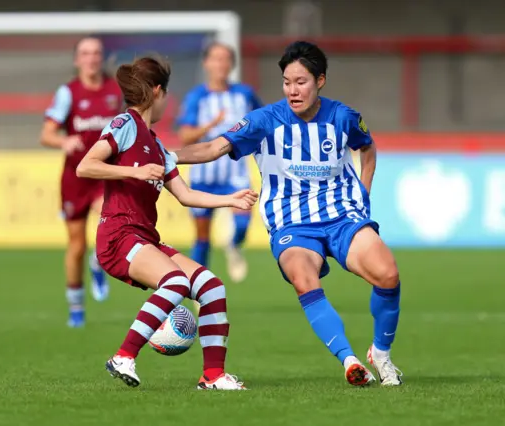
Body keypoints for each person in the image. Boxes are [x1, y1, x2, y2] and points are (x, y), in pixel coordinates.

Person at [170, 41, 403, 386]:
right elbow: (212, 147)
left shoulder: (343, 117)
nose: (293, 90)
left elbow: (367, 147)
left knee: (388, 276)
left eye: (301, 82)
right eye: (287, 82)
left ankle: (380, 354)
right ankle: (348, 359)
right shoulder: (265, 121)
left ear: (320, 80)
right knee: (303, 277)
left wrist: (362, 196)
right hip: (291, 222)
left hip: (342, 216)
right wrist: (166, 156)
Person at [76, 55, 257, 390]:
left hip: (144, 237)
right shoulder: (124, 126)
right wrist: (134, 171)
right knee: (175, 283)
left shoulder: (156, 144)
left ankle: (213, 376)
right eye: (165, 93)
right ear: (157, 92)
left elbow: (186, 195)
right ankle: (124, 356)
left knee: (211, 287)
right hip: (118, 236)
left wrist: (230, 200)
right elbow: (85, 166)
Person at [40, 36, 122, 327]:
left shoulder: (116, 90)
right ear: (77, 60)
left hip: (105, 174)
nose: (92, 58)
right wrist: (65, 140)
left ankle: (98, 263)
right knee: (76, 245)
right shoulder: (68, 93)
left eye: (97, 52)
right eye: (85, 53)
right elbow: (46, 134)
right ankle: (76, 308)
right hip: (75, 177)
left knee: (106, 223)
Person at [175, 42, 262, 283]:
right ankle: (197, 288)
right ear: (206, 63)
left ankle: (234, 245)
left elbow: (264, 121)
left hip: (235, 173)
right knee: (202, 238)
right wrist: (212, 125)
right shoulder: (197, 97)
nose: (221, 64)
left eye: (225, 59)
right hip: (204, 176)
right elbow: (185, 136)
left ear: (232, 64)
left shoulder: (244, 94)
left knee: (243, 222)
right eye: (216, 59)